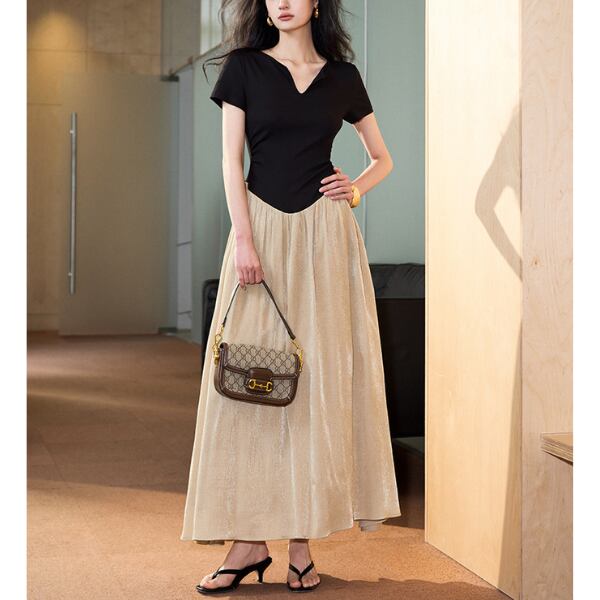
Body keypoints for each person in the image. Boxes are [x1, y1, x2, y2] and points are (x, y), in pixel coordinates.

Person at [180, 0, 401, 594]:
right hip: (261, 233)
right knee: (251, 387)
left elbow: (382, 158)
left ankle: (301, 542)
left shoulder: (343, 77)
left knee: (317, 383)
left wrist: (355, 189)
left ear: (316, 4)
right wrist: (244, 240)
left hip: (325, 239)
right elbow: (231, 161)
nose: (282, 2)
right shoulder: (244, 68)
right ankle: (249, 541)